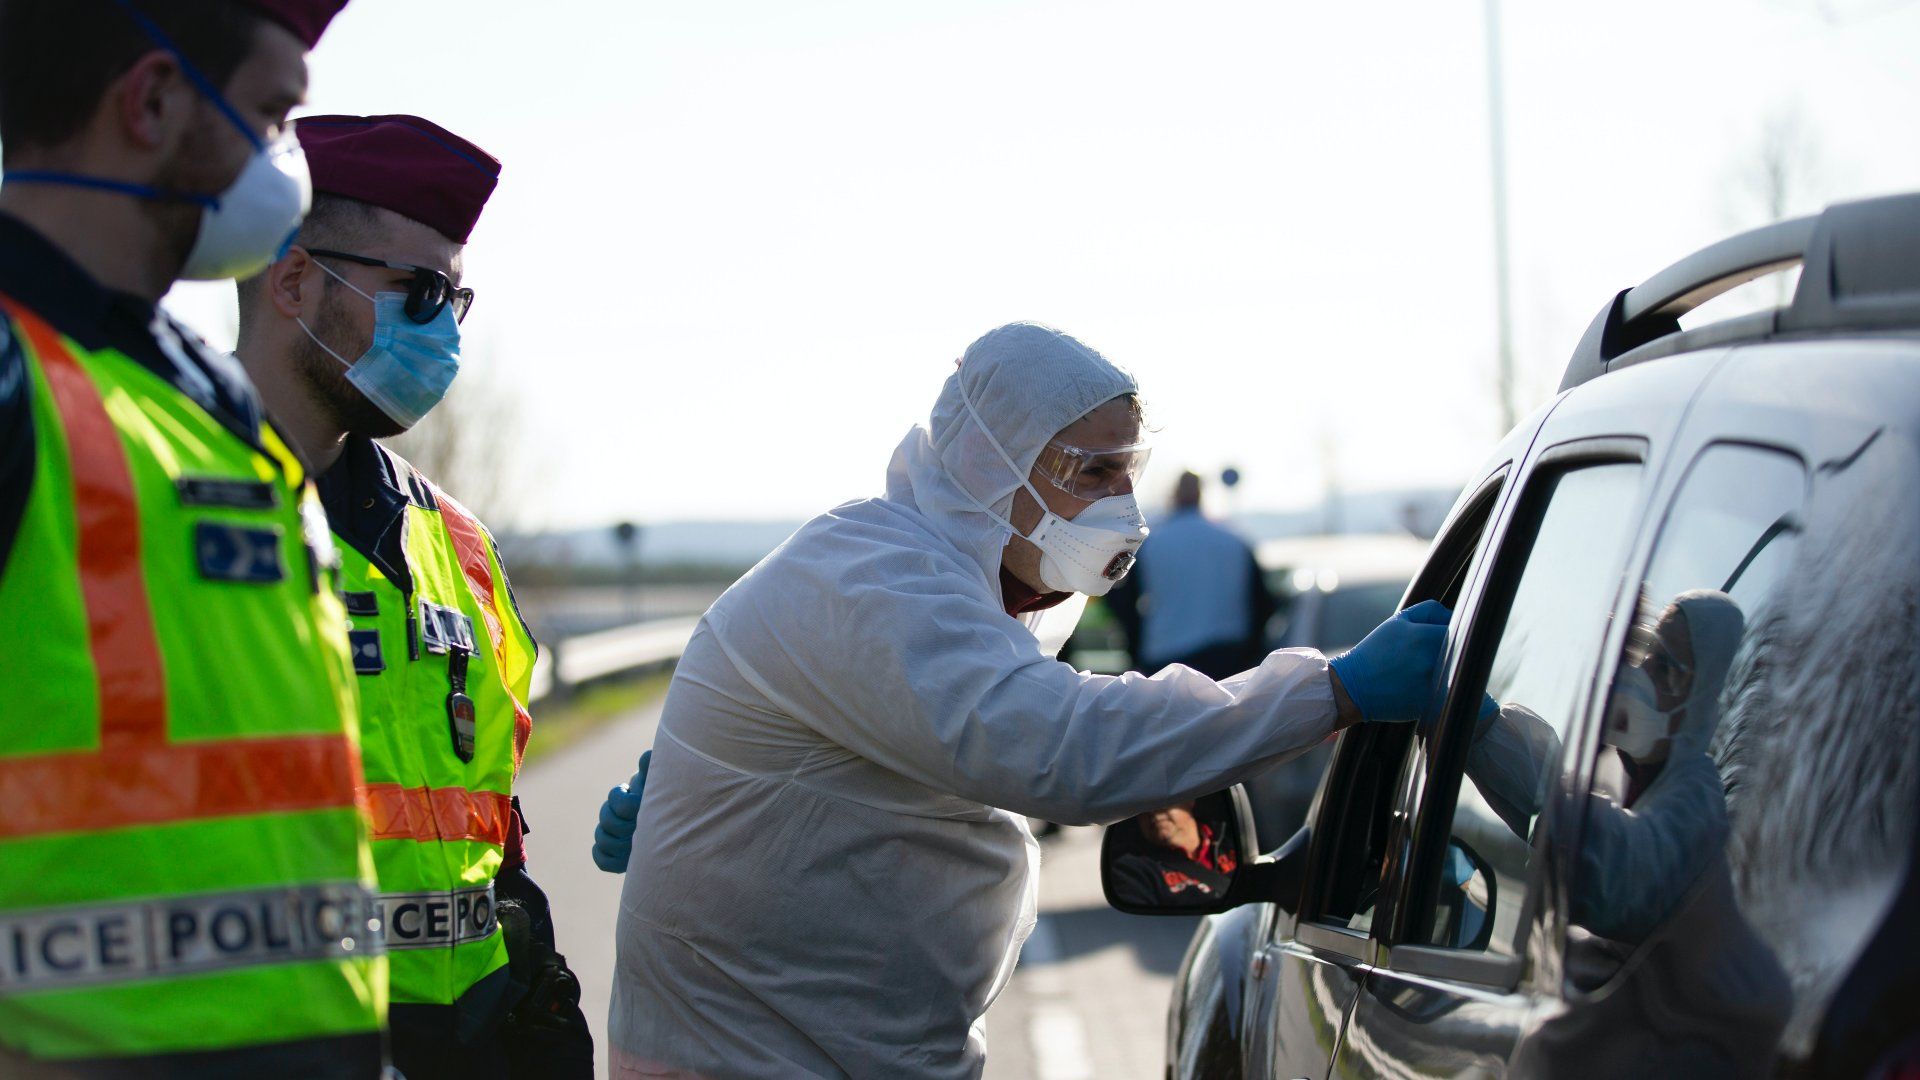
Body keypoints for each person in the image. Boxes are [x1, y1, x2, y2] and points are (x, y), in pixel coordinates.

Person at [591, 322, 1450, 1078]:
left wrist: (707, 790)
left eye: (1130, 471)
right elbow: (1065, 749)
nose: (1122, 506)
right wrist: (1330, 689)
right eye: (1091, 471)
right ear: (985, 464)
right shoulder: (877, 575)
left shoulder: (963, 585)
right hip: (752, 1058)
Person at [0, 1, 388, 1075]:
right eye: (272, 114)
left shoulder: (201, 389)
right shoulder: (15, 373)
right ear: (154, 100)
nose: (286, 165)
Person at [232, 114, 593, 1078]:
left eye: (456, 299)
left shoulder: (456, 542)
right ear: (294, 278)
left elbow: (485, 823)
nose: (441, 329)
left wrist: (534, 980)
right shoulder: (151, 508)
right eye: (417, 291)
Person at [1106, 469, 1274, 677]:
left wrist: (1135, 651)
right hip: (1229, 655)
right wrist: (1252, 651)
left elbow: (1123, 600)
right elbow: (1262, 601)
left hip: (1166, 656)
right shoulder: (1234, 540)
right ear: (1201, 495)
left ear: (1174, 495)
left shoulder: (1151, 544)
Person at [1106, 801, 1241, 908]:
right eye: (1142, 807)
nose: (1154, 812)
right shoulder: (1132, 869)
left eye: (1164, 801)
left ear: (1189, 800)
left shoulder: (1237, 839)